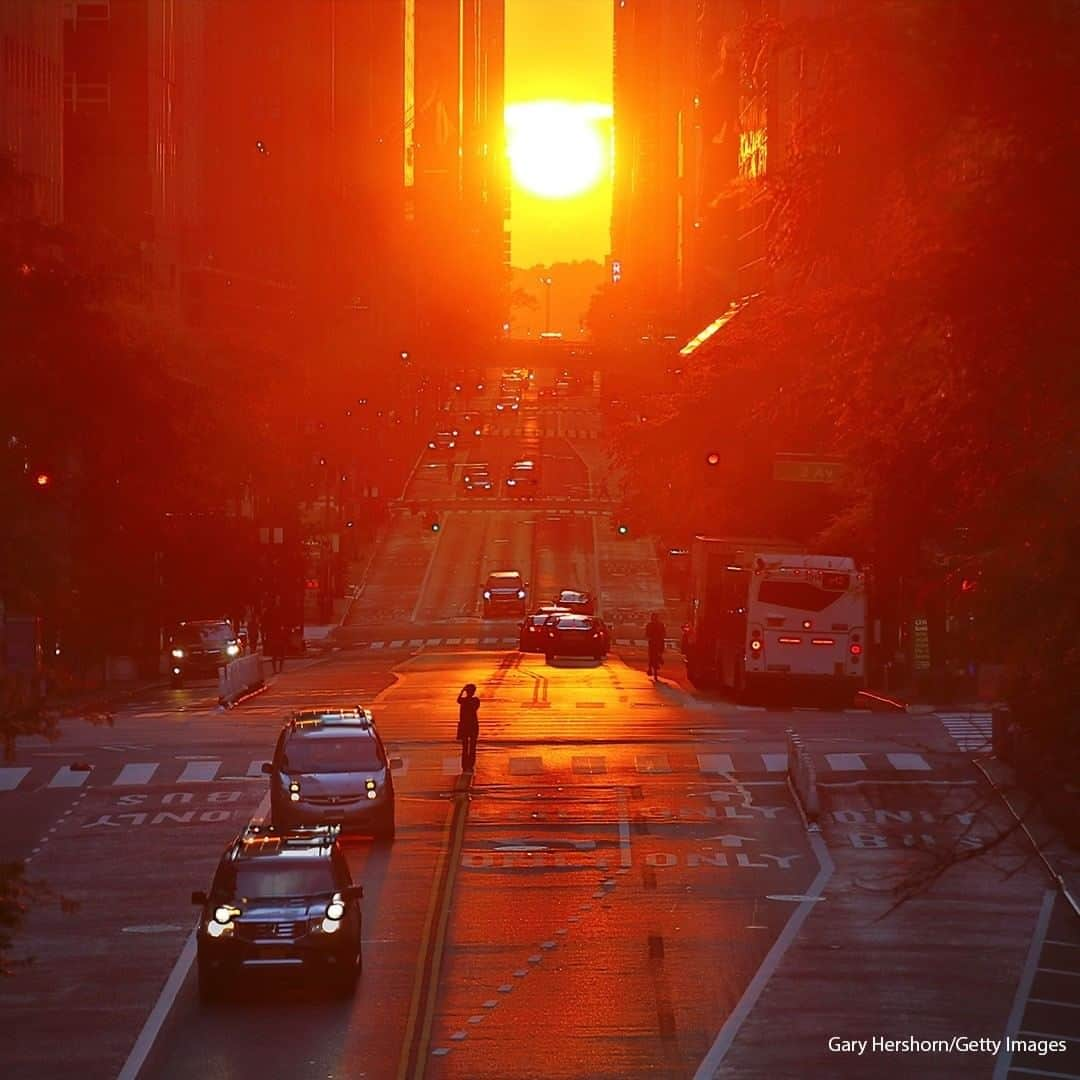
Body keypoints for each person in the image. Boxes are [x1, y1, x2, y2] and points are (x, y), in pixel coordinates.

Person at [456, 683, 480, 771]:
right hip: (473, 725)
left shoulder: (464, 700)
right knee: (472, 746)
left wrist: (462, 690)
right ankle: (470, 764)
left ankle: (465, 764)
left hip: (465, 725)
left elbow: (458, 699)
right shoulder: (475, 700)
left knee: (465, 746)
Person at [645, 612, 666, 680]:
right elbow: (664, 633)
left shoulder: (650, 625)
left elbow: (647, 634)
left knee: (651, 655)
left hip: (654, 642)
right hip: (656, 642)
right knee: (653, 654)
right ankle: (659, 658)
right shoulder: (660, 624)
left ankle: (650, 668)